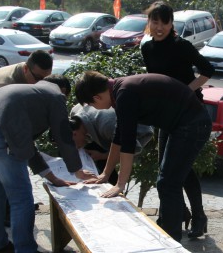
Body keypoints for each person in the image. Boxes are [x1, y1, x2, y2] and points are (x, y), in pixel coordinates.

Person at [0, 80, 91, 253]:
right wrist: (77, 170)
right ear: (64, 92)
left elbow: (26, 145)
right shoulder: (55, 95)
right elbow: (63, 133)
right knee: (20, 196)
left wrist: (52, 177)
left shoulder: (25, 94)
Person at [74, 71, 210, 242]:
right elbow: (119, 136)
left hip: (192, 124)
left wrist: (120, 184)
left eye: (91, 104)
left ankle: (172, 240)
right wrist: (105, 174)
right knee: (168, 178)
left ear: (97, 97)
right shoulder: (119, 91)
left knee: (168, 183)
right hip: (178, 124)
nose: (94, 108)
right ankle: (172, 226)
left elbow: (128, 144)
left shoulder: (124, 93)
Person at [140, 0, 214, 238]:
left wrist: (185, 90)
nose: (159, 27)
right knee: (172, 169)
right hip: (166, 117)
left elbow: (207, 70)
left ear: (172, 24)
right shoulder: (147, 48)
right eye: (155, 22)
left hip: (190, 114)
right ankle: (180, 213)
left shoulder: (181, 46)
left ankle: (196, 217)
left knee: (177, 171)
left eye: (164, 22)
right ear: (149, 22)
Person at [69, 104, 153, 185]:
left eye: (74, 145)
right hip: (110, 126)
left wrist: (103, 156)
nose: (76, 147)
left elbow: (130, 150)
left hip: (139, 130)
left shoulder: (107, 127)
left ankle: (110, 184)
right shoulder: (75, 112)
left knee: (110, 157)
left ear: (74, 134)